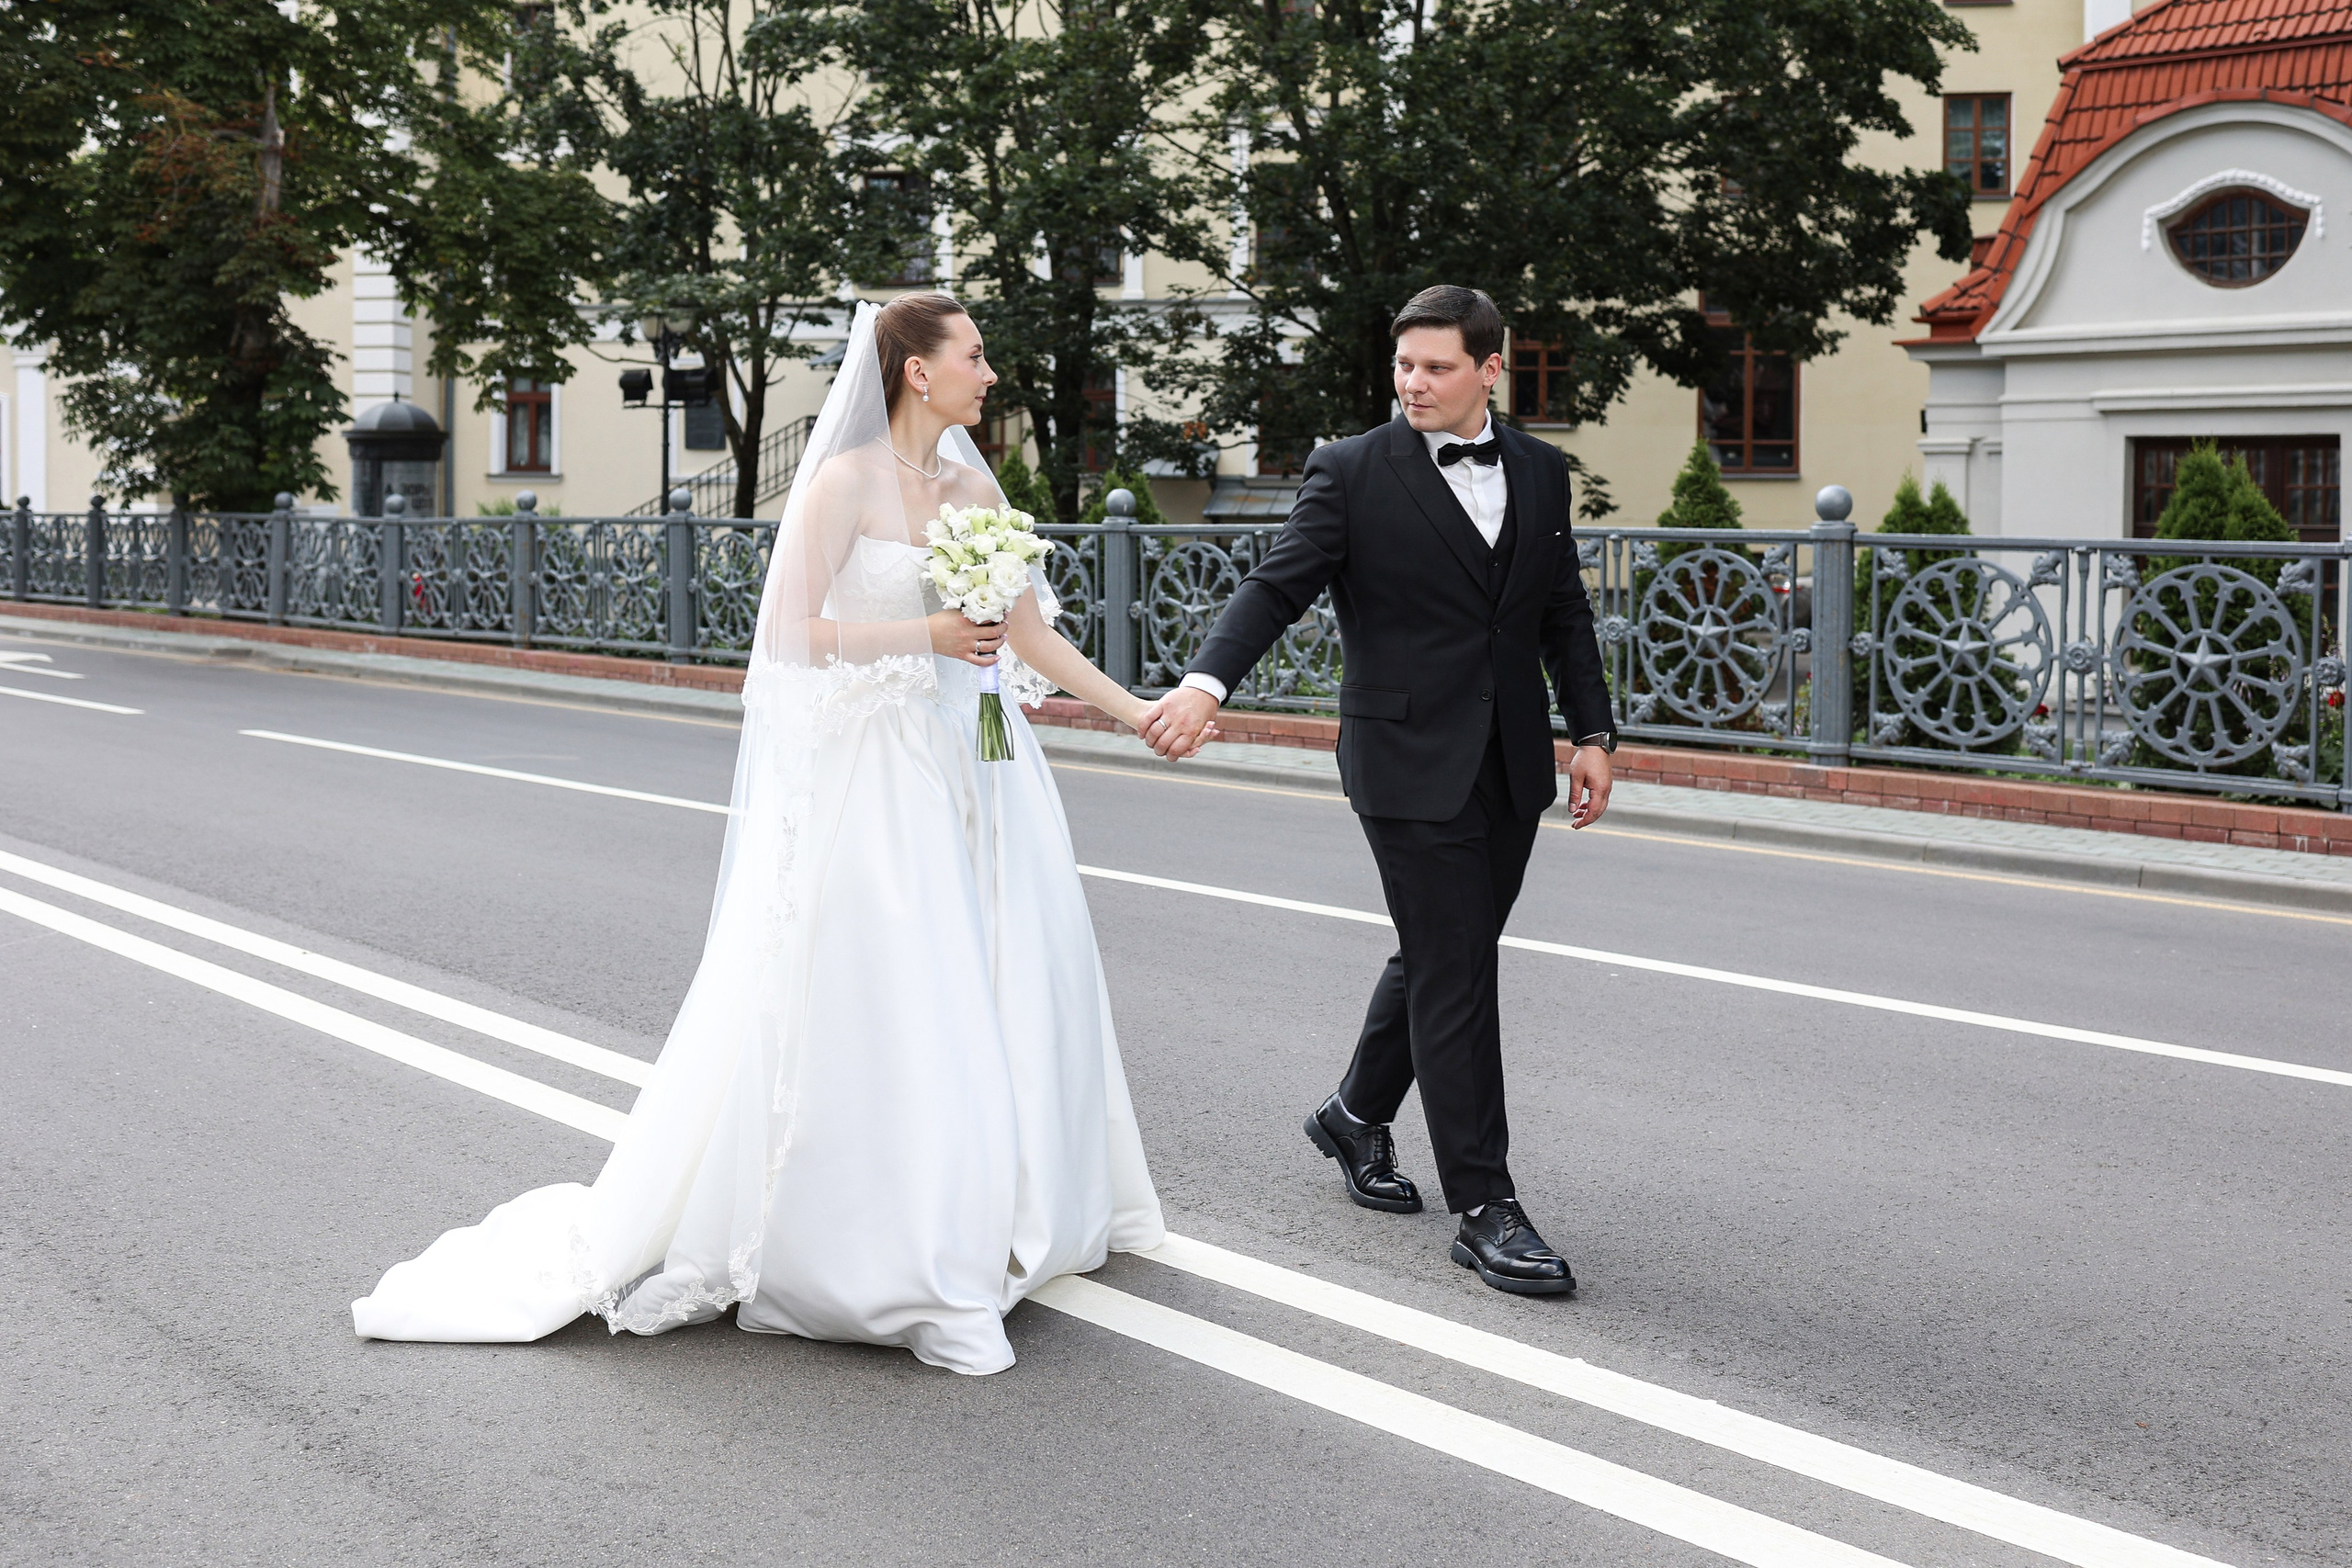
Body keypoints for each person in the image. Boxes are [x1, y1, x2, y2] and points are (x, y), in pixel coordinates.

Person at [353, 294, 1195, 1375]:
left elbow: (1027, 634)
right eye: (974, 357)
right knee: (900, 993)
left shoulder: (975, 484)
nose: (991, 375)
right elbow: (791, 637)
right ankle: (895, 1250)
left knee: (1013, 979)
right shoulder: (840, 483)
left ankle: (1009, 1207)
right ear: (915, 373)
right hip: (877, 774)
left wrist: (1142, 715)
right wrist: (928, 632)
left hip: (978, 767)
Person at [1137, 285, 1615, 1297]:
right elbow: (1277, 584)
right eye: (1403, 366)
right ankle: (1484, 1206)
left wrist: (1591, 732)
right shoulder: (1352, 471)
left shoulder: (1537, 469)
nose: (1413, 383)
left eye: (1436, 367)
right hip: (1403, 764)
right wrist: (1202, 681)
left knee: (1449, 951)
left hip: (1510, 761)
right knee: (1457, 973)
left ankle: (1353, 1114)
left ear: (1491, 368)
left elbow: (1561, 610)